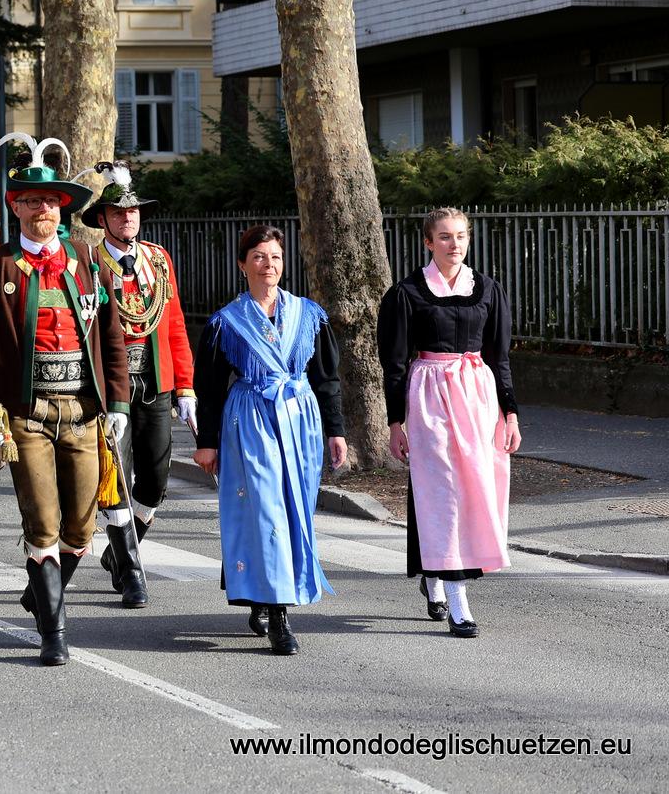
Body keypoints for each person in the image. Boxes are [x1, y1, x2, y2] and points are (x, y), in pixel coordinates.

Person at [0, 137, 130, 666]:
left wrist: (118, 404)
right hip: (27, 416)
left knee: (80, 529)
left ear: (63, 209)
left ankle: (43, 588)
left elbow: (113, 333)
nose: (42, 210)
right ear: (15, 207)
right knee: (43, 521)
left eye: (50, 202)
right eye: (31, 201)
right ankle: (53, 628)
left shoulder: (85, 259)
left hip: (83, 413)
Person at [194, 225, 347, 657]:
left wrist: (335, 430)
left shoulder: (309, 315)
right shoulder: (226, 322)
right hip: (250, 420)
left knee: (292, 509)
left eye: (276, 256)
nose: (268, 264)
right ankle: (280, 614)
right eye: (259, 256)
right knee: (263, 509)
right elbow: (208, 385)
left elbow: (327, 378)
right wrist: (208, 441)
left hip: (299, 418)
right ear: (243, 264)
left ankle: (263, 592)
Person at [379, 207, 520, 639]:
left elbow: (500, 357)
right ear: (428, 242)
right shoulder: (406, 293)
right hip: (430, 398)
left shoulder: (489, 289)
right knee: (440, 490)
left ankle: (435, 575)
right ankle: (457, 596)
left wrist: (511, 413)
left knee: (474, 489)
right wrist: (395, 422)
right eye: (443, 237)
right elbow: (394, 363)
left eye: (460, 236)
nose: (453, 244)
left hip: (478, 398)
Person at [81, 161, 196, 609]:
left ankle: (118, 551)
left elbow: (175, 325)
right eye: (118, 212)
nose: (128, 217)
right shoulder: (90, 263)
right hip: (112, 386)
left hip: (156, 381)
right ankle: (131, 571)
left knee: (157, 480)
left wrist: (185, 387)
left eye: (133, 211)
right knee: (117, 479)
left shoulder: (158, 260)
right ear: (103, 220)